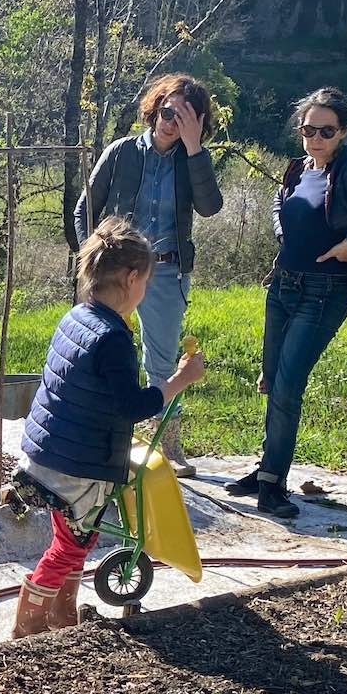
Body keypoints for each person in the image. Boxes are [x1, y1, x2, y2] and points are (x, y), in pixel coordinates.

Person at [5, 217, 207, 638]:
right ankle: (29, 628)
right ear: (132, 278)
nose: (146, 290)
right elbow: (132, 407)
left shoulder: (78, 316)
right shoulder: (112, 338)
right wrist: (179, 381)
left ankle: (63, 616)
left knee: (79, 537)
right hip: (77, 464)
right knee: (69, 545)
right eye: (147, 282)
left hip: (49, 449)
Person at [225, 88, 347, 520]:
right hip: (283, 286)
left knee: (290, 383)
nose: (315, 138)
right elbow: (280, 203)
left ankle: (273, 484)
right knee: (272, 379)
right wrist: (281, 233)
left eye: (326, 131)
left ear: (343, 132)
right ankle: (266, 468)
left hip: (324, 291)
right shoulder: (298, 168)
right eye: (309, 129)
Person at [74, 73, 225, 476]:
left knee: (161, 359)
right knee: (99, 350)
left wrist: (195, 151)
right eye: (167, 110)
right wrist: (92, 259)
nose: (170, 121)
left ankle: (166, 446)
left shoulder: (193, 161)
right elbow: (83, 209)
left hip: (167, 269)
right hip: (115, 269)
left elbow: (210, 207)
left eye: (184, 117)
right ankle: (96, 433)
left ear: (197, 124)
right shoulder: (122, 151)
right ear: (154, 107)